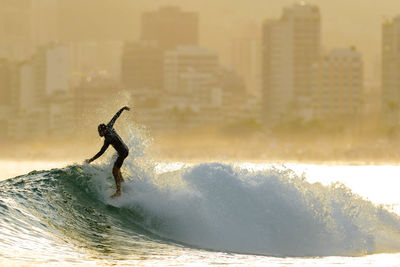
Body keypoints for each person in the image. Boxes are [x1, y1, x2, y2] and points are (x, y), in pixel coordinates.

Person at [85, 106, 130, 198]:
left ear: (104, 130)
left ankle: (118, 192)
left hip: (122, 153)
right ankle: (121, 182)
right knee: (116, 165)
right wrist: (122, 108)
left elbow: (101, 152)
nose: (99, 134)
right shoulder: (109, 126)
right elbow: (115, 116)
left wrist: (91, 160)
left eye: (100, 132)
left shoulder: (108, 139)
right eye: (99, 132)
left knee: (114, 171)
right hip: (124, 150)